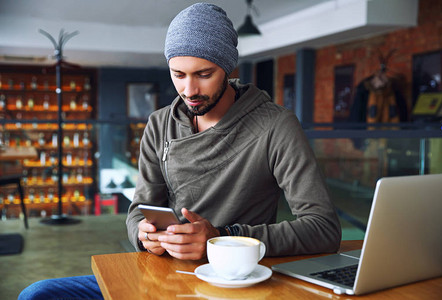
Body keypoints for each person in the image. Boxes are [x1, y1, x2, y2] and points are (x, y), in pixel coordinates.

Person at [19, 3, 340, 299]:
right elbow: (139, 209)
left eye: (204, 75)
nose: (189, 90)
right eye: (178, 75)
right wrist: (143, 234)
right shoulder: (159, 124)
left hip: (234, 278)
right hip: (162, 272)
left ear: (228, 68)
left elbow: (323, 228)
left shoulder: (276, 126)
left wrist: (222, 237)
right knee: (39, 294)